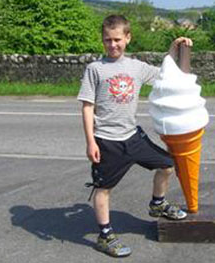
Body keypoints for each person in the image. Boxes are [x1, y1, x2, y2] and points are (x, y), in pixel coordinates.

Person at [77, 14, 193, 257]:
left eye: (117, 39)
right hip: (107, 141)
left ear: (127, 38)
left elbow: (165, 72)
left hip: (133, 137)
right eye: (107, 40)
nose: (113, 44)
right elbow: (87, 106)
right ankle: (105, 235)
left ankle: (157, 203)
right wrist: (90, 141)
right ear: (102, 40)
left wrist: (174, 48)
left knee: (167, 164)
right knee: (103, 188)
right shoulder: (95, 69)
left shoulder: (136, 67)